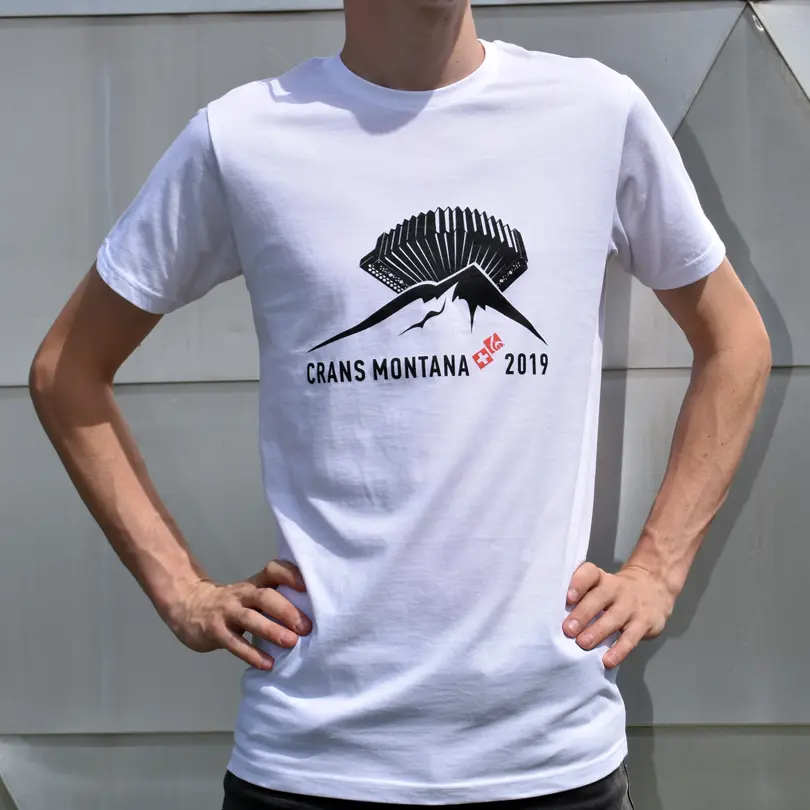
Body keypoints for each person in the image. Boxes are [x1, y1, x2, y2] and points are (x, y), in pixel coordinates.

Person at [29, 1, 770, 808]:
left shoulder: (595, 116)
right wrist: (182, 590)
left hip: (551, 756)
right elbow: (67, 371)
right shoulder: (243, 139)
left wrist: (658, 569)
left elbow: (735, 343)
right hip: (312, 761)